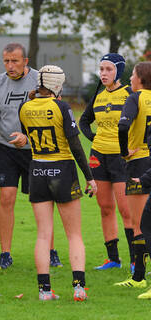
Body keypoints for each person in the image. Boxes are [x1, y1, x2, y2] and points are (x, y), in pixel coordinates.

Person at [11, 65, 97, 301]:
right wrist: (89, 177)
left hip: (37, 170)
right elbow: (76, 146)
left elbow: (27, 135)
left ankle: (44, 291)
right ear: (57, 84)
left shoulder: (24, 106)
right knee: (74, 235)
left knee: (42, 235)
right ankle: (79, 288)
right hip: (63, 170)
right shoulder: (61, 106)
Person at [0, 42, 62, 269]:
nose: (10, 66)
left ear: (26, 62)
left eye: (15, 61)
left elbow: (53, 115)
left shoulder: (41, 81)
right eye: (6, 61)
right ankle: (5, 253)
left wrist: (27, 138)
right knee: (6, 198)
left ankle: (50, 251)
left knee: (42, 201)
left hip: (36, 151)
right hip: (6, 150)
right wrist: (11, 137)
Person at [79, 53, 134, 271]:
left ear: (118, 72)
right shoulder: (99, 96)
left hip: (122, 158)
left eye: (108, 69)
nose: (103, 73)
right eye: (101, 69)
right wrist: (94, 137)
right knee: (105, 207)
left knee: (126, 209)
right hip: (98, 156)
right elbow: (83, 121)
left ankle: (136, 259)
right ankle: (113, 258)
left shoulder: (130, 94)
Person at [114, 61, 151, 291]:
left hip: (139, 162)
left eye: (133, 75)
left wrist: (123, 151)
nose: (130, 79)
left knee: (139, 225)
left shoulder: (135, 98)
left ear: (141, 78)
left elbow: (122, 126)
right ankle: (140, 276)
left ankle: (139, 278)